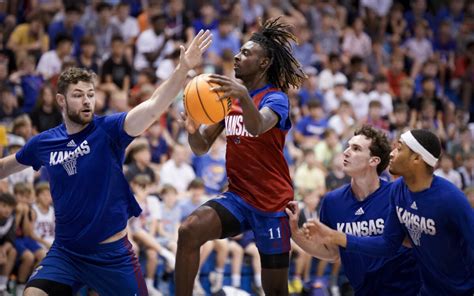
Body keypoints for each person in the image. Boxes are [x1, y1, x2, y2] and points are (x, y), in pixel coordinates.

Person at [0, 29, 212, 296]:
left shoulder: (108, 130)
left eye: (90, 94)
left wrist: (182, 70)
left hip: (111, 255)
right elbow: (5, 166)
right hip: (66, 252)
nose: (87, 100)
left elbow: (153, 106)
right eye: (78, 95)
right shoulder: (43, 142)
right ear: (61, 101)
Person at [176, 17, 305, 295]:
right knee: (189, 231)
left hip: (272, 206)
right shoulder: (230, 101)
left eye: (246, 53)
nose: (236, 56)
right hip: (238, 198)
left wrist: (244, 97)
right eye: (238, 51)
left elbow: (258, 126)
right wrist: (192, 129)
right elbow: (201, 147)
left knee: (276, 291)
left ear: (264, 63)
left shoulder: (276, 99)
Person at [304, 129, 474, 296]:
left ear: (416, 158)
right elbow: (388, 244)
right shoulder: (398, 190)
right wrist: (337, 237)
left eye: (399, 149)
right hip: (426, 288)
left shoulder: (451, 199)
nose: (392, 154)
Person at [287, 126, 420, 296]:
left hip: (406, 290)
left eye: (356, 149)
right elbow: (332, 252)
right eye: (348, 146)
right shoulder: (332, 201)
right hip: (363, 290)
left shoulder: (397, 195)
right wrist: (294, 232)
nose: (346, 152)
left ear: (374, 161)